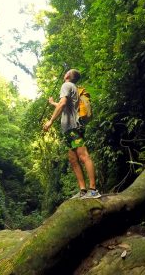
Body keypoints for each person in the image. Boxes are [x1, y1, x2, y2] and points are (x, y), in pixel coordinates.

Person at [42, 69, 101, 199]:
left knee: (83, 156)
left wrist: (50, 121)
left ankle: (93, 190)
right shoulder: (72, 87)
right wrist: (52, 103)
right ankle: (83, 190)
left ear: (68, 75)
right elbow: (65, 105)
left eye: (66, 72)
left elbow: (63, 104)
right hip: (69, 130)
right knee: (73, 159)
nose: (64, 73)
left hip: (73, 128)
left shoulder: (66, 85)